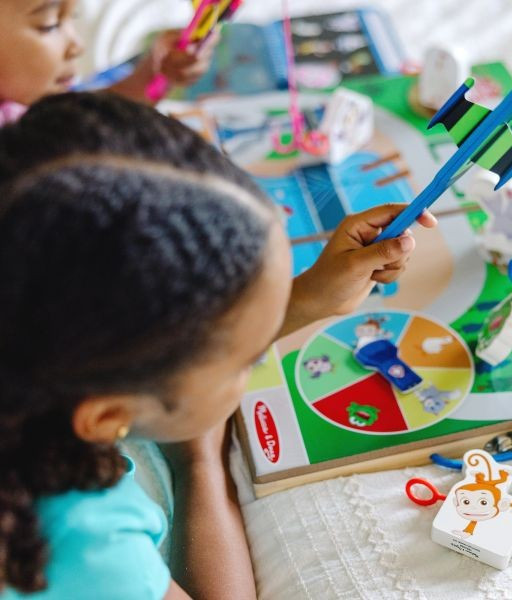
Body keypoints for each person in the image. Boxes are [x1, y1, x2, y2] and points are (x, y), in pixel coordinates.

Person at [0, 91, 436, 599]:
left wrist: (308, 298)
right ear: (106, 417)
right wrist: (199, 461)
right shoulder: (86, 547)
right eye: (245, 361)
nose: (256, 362)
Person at [0, 0, 218, 124]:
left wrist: (157, 70)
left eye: (73, 17)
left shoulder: (26, 107)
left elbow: (92, 115)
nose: (77, 46)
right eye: (50, 25)